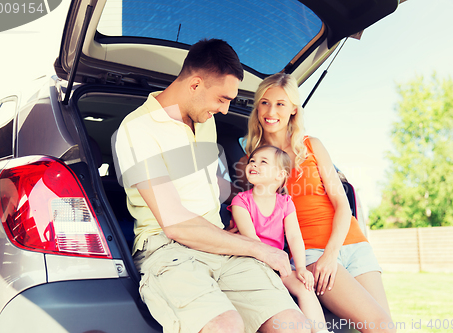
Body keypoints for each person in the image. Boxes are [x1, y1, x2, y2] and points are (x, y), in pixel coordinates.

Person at [113, 39, 310, 333]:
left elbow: (210, 182)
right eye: (222, 99)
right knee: (224, 325)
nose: (226, 109)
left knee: (291, 323)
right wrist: (259, 248)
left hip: (218, 241)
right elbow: (175, 224)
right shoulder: (138, 128)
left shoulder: (205, 119)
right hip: (168, 249)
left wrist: (246, 201)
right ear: (195, 85)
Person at [235, 73, 396, 333]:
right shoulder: (251, 163)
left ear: (293, 110)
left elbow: (341, 204)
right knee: (380, 326)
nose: (271, 111)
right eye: (264, 102)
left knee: (385, 329)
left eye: (280, 104)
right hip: (310, 252)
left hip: (352, 244)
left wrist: (332, 255)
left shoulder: (311, 146)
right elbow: (252, 212)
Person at [229, 145, 332, 333]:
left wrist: (301, 268)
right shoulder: (241, 201)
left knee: (304, 286)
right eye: (252, 160)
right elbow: (252, 241)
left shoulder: (285, 203)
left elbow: (294, 236)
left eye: (263, 162)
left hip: (279, 265)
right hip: (253, 264)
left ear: (279, 175)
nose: (254, 164)